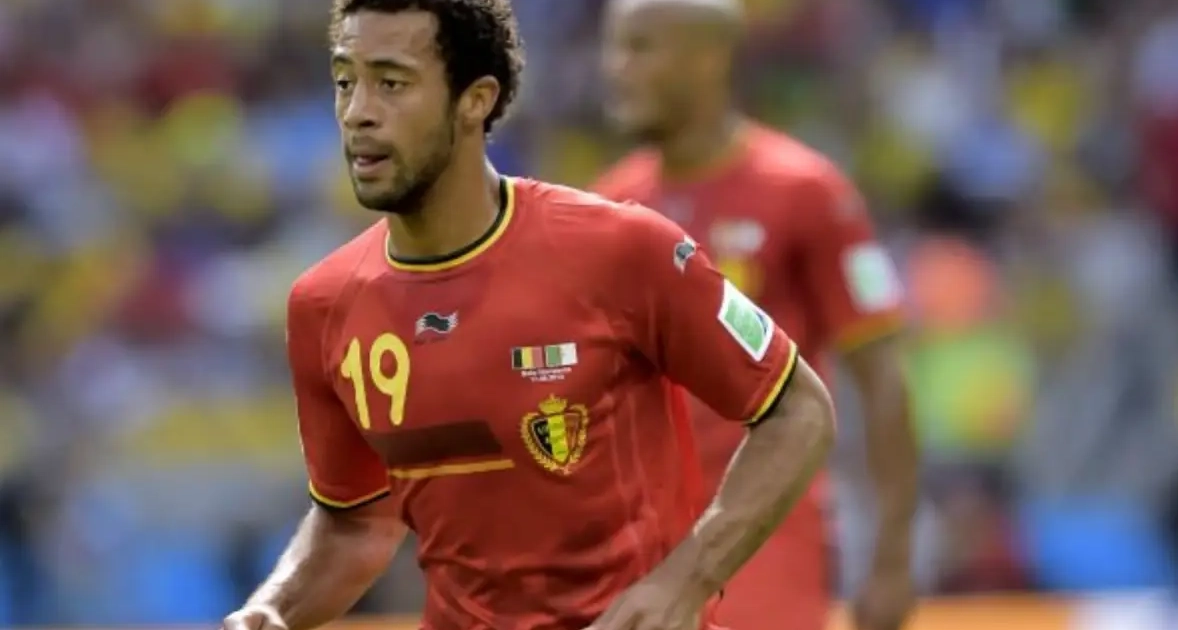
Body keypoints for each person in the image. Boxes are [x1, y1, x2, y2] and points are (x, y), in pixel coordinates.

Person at [220, 1, 836, 629]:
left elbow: (798, 409)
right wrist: (272, 608)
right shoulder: (324, 305)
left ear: (475, 100)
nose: (358, 112)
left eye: (392, 82)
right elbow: (355, 523)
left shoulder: (619, 250)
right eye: (345, 81)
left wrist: (687, 581)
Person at [593, 1, 918, 629]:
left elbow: (881, 377)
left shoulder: (805, 192)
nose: (616, 68)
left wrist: (893, 559)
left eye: (640, 48)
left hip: (763, 543)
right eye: (614, 49)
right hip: (640, 548)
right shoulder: (610, 206)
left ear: (709, 58)